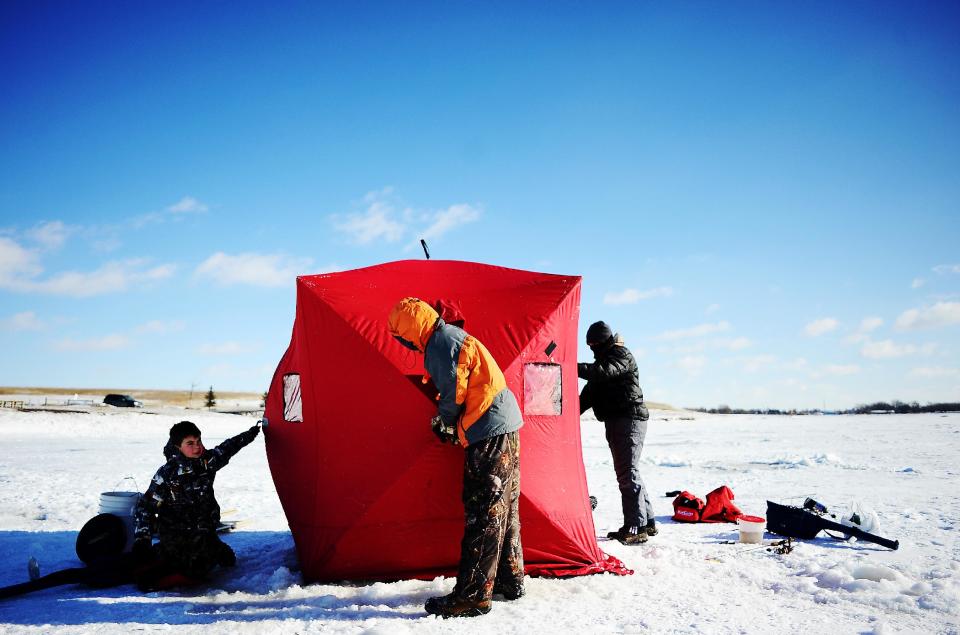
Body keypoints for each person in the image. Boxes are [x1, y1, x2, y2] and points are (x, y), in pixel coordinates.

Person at [388, 297, 524, 619]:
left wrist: (443, 421)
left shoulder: (439, 342)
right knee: (505, 507)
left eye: (400, 335)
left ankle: (473, 596)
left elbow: (454, 390)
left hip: (488, 430)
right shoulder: (450, 336)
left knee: (484, 510)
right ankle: (509, 578)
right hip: (506, 426)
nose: (403, 343)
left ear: (410, 329)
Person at [132, 420, 260, 589]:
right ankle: (162, 564)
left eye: (198, 441)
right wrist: (142, 539)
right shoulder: (167, 473)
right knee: (192, 570)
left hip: (203, 530)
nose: (197, 447)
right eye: (190, 443)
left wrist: (252, 433)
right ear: (178, 446)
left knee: (227, 559)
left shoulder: (207, 462)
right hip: (176, 534)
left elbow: (228, 447)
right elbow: (145, 506)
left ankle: (213, 549)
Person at [577, 321, 654, 545]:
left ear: (604, 341)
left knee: (627, 473)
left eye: (594, 343)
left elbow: (603, 373)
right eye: (588, 344)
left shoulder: (620, 355)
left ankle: (636, 527)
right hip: (618, 420)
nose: (591, 348)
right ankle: (647, 522)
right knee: (630, 471)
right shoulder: (602, 363)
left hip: (628, 419)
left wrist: (568, 365)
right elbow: (586, 396)